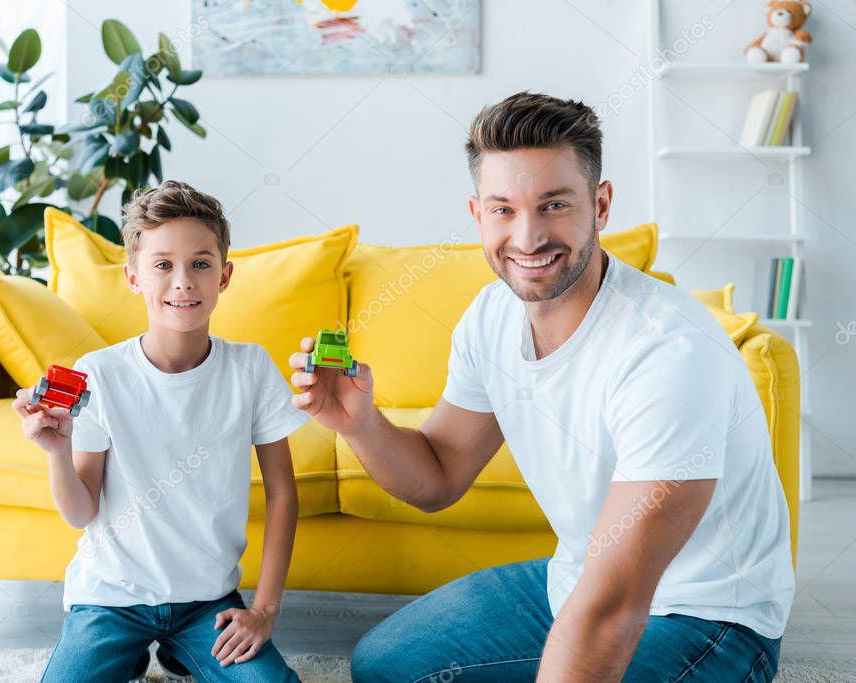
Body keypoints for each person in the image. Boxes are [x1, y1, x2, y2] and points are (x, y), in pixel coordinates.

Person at [288, 91, 794, 682]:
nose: (528, 238)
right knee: (388, 667)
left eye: (554, 205)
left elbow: (612, 611)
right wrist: (360, 423)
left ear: (600, 206)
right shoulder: (490, 316)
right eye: (504, 210)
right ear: (478, 215)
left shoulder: (668, 352)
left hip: (707, 618)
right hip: (579, 577)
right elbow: (438, 476)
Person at [14, 180, 307, 683]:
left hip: (206, 604)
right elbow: (82, 512)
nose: (183, 281)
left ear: (225, 275)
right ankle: (127, 652)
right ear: (133, 278)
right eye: (163, 265)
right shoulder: (100, 374)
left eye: (200, 263)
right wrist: (58, 453)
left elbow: (282, 495)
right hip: (110, 601)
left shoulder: (251, 369)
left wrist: (264, 611)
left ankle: (179, 650)